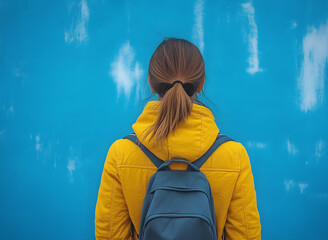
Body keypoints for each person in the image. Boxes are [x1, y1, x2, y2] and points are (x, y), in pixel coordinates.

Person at [95, 37, 261, 240]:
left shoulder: (121, 154)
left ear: (151, 84)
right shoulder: (234, 156)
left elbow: (109, 235)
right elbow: (245, 235)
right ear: (201, 84)